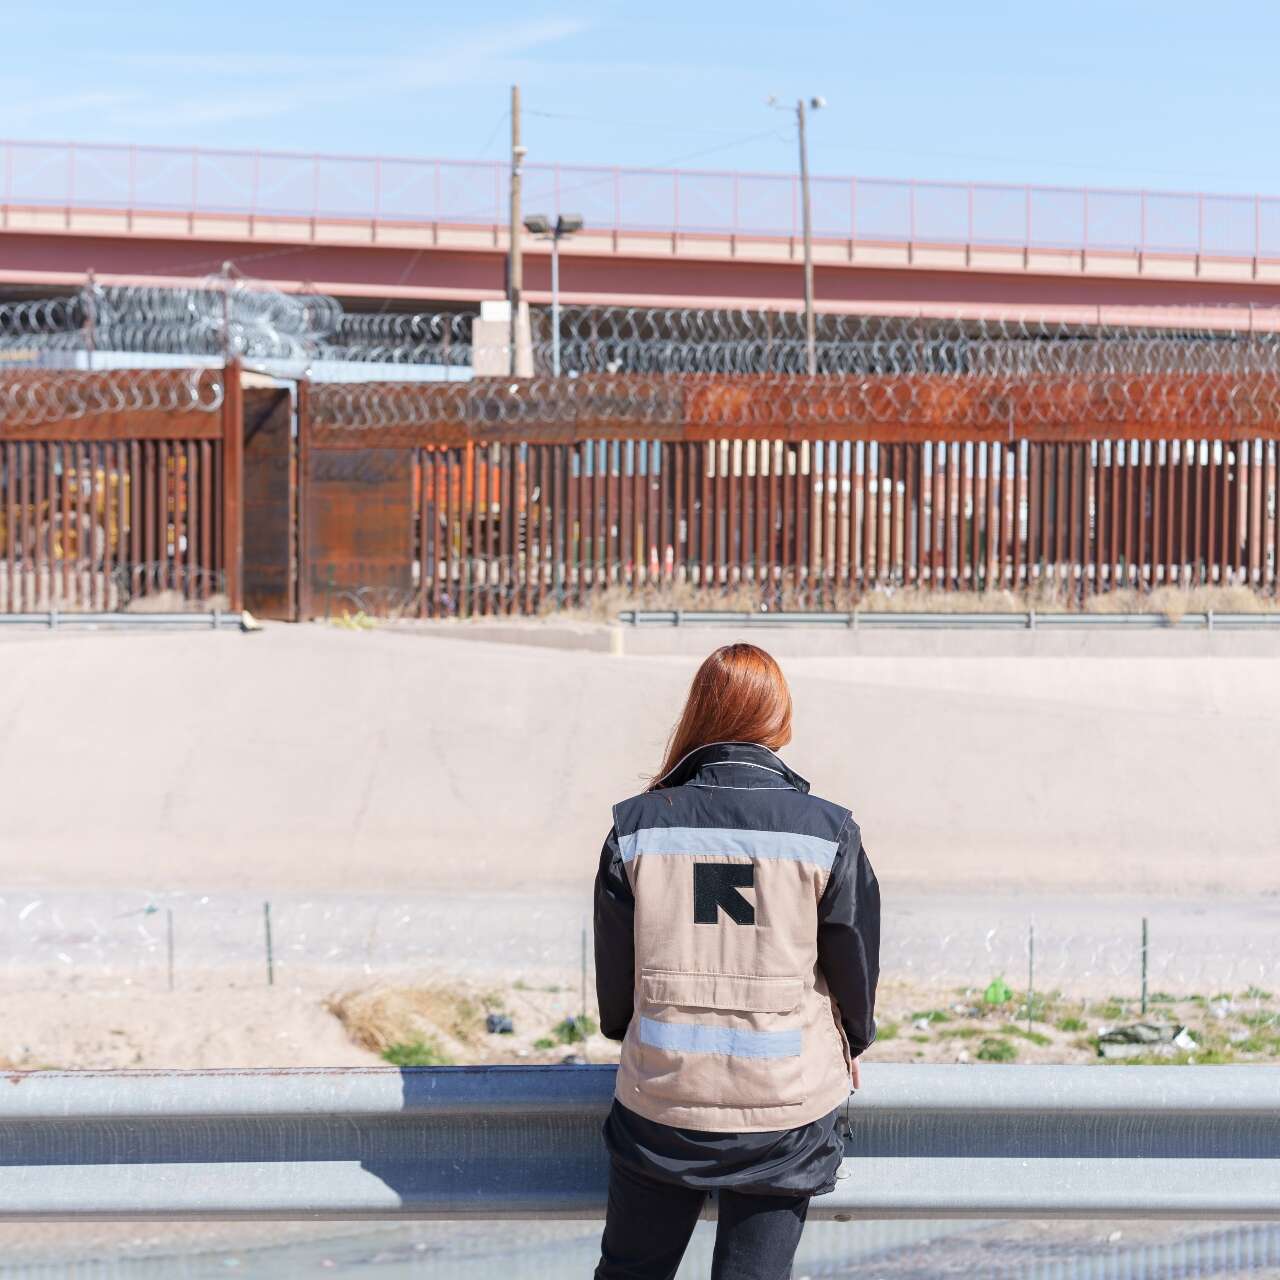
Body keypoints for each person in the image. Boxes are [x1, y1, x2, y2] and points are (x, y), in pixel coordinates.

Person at [593, 643, 880, 1280]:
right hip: (785, 1111)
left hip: (662, 1104)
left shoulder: (636, 828)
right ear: (778, 720)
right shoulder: (825, 831)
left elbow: (615, 979)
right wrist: (853, 1040)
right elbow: (855, 959)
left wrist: (629, 1032)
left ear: (698, 711)